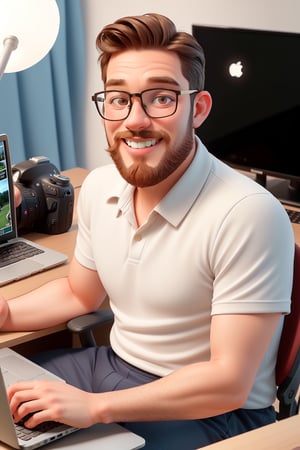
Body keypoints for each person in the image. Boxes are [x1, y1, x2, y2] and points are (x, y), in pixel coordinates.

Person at [0, 13, 295, 450]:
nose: (134, 120)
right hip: (110, 365)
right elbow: (79, 296)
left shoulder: (248, 213)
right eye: (118, 99)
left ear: (198, 108)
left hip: (210, 410)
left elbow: (228, 382)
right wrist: (6, 314)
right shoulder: (100, 185)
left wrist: (94, 408)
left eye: (160, 98)